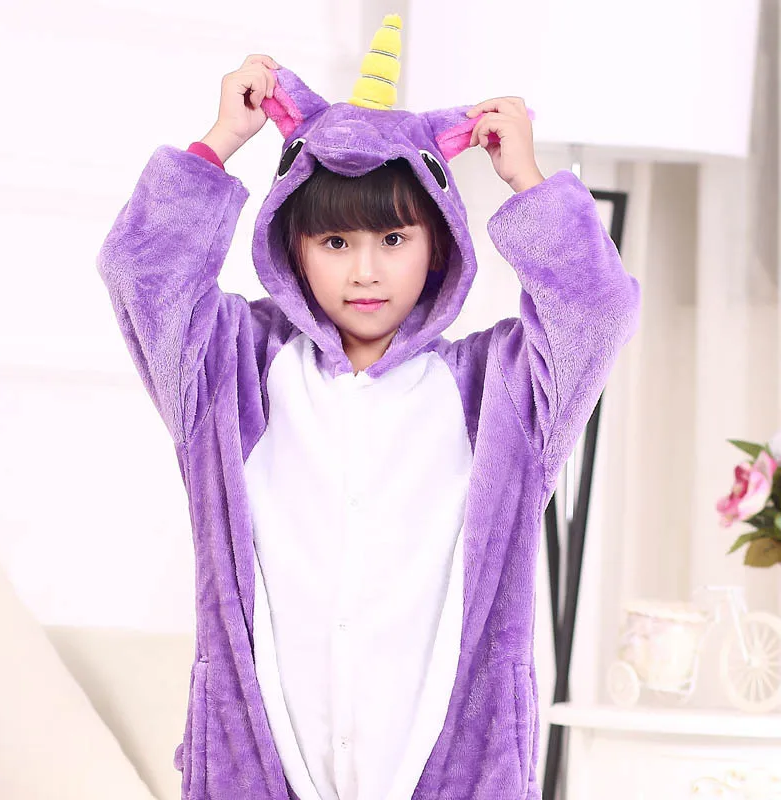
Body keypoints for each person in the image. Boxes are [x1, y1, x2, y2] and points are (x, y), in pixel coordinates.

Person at [97, 14, 640, 800]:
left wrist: (529, 181)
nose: (365, 272)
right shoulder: (229, 370)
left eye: (393, 239)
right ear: (292, 245)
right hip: (261, 771)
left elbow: (595, 312)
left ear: (438, 242)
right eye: (335, 243)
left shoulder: (499, 392)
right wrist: (219, 142)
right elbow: (141, 277)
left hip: (452, 774)